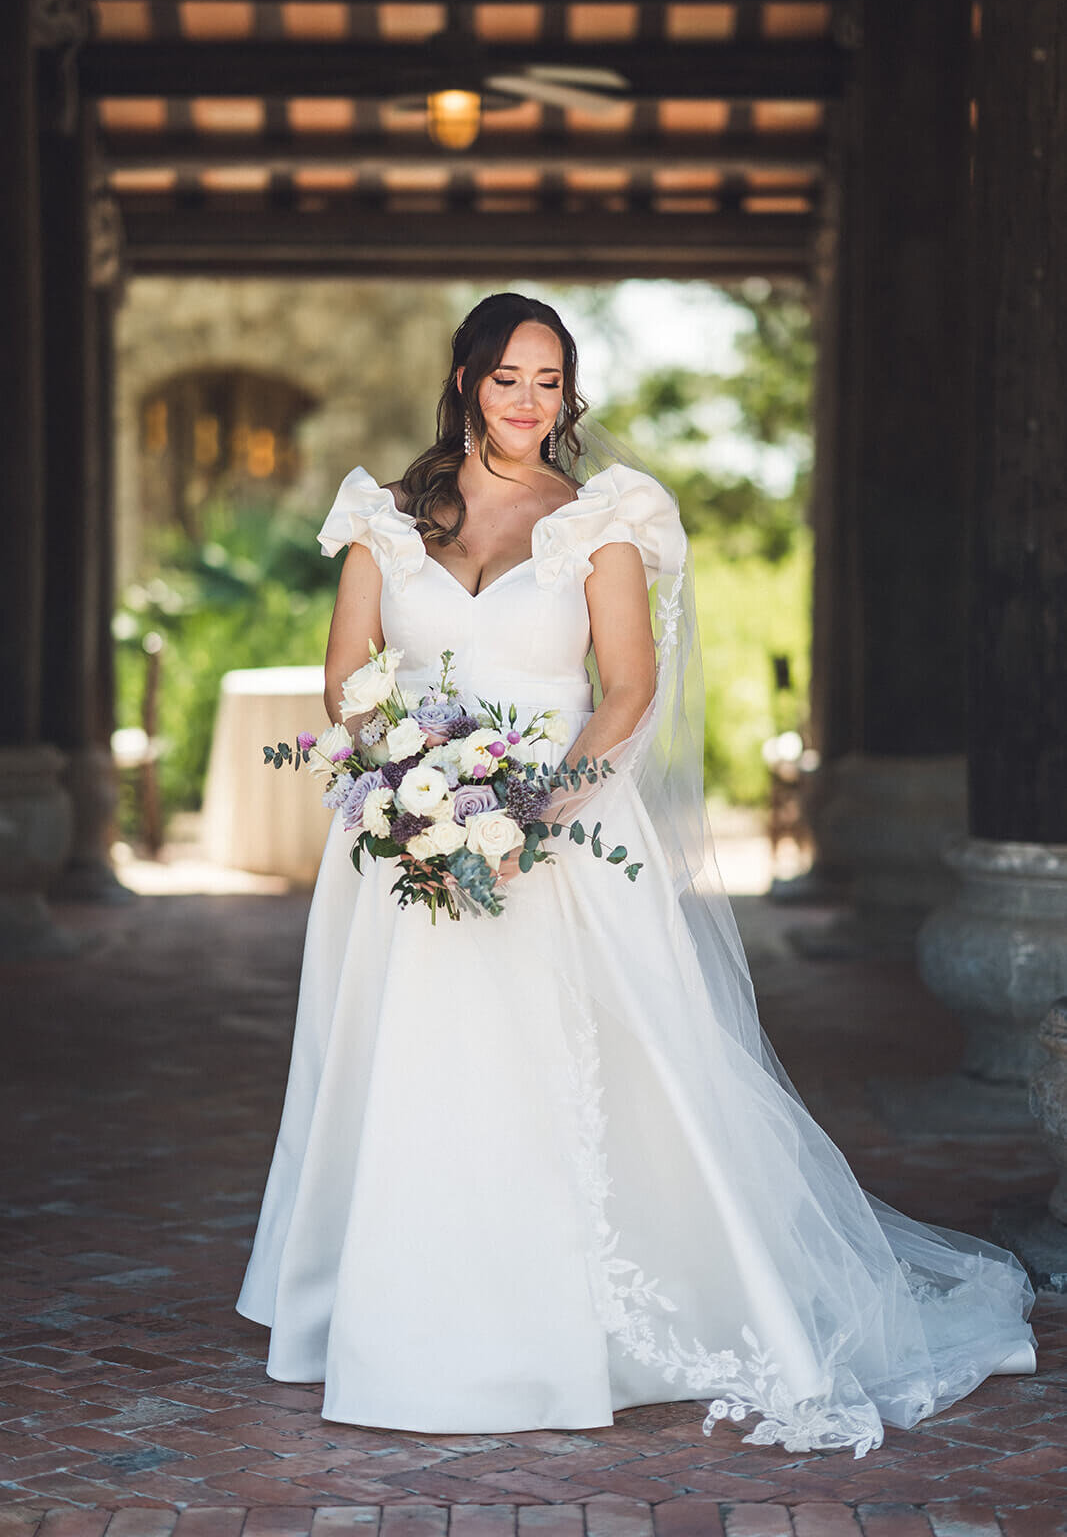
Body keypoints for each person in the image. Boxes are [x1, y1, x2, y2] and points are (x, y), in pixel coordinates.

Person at [236, 292, 1036, 1458]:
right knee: (403, 1069)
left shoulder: (599, 518)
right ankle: (401, 1312)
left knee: (578, 1074)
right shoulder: (385, 517)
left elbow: (625, 688)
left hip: (556, 834)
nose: (526, 401)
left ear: (567, 396)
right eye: (507, 376)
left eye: (548, 381)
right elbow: (347, 682)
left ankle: (571, 1320)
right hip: (405, 843)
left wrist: (529, 806)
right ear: (464, 380)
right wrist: (411, 788)